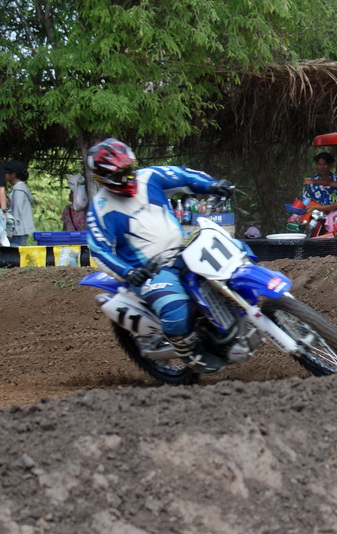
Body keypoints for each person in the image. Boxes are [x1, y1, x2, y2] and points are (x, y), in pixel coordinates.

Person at [85, 138, 237, 374]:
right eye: (121, 173)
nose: (129, 176)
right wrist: (129, 272)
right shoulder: (100, 209)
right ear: (104, 178)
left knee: (236, 252)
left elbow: (184, 176)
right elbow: (99, 250)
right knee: (175, 308)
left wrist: (212, 185)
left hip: (183, 250)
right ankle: (189, 351)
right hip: (149, 271)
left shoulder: (149, 177)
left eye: (130, 168)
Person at [3, 160, 35, 246]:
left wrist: (10, 231)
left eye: (6, 173)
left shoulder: (18, 190)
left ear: (13, 175)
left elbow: (16, 212)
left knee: (14, 251)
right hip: (20, 229)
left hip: (19, 230)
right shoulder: (18, 188)